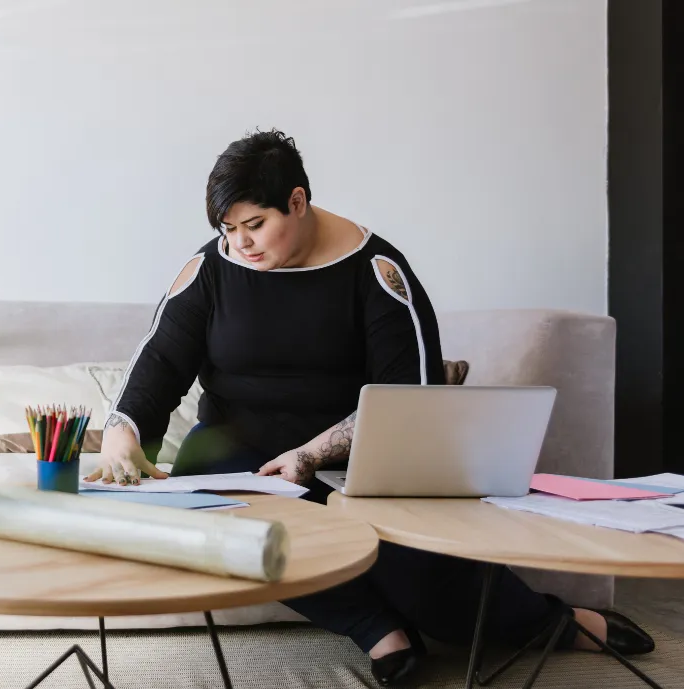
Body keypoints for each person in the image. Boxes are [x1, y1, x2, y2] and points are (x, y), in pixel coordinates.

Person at [85, 129, 653, 685]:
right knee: (228, 528)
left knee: (426, 581)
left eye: (255, 225)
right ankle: (378, 632)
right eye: (228, 230)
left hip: (350, 464)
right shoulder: (211, 268)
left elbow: (411, 397)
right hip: (234, 459)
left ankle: (556, 624)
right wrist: (124, 435)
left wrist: (310, 454)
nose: (240, 244)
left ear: (298, 202)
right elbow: (158, 361)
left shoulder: (378, 272)